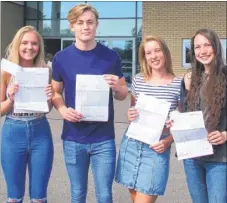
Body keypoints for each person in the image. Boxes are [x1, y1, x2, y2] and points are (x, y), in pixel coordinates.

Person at [51, 4, 128, 203]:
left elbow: (122, 94)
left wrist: (116, 87)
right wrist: (62, 109)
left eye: (90, 22)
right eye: (80, 23)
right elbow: (55, 92)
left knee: (104, 195)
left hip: (103, 138)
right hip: (73, 138)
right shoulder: (61, 58)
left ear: (96, 25)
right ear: (72, 26)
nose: (85, 27)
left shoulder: (111, 57)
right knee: (77, 194)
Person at [115, 35, 182, 203]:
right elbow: (133, 112)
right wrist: (130, 114)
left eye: (157, 50)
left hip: (157, 147)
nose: (154, 56)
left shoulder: (178, 84)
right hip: (132, 144)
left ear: (165, 53)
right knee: (135, 198)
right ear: (144, 57)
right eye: (149, 53)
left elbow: (182, 123)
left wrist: (168, 141)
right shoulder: (138, 80)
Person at [0, 26, 54, 203]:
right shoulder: (6, 71)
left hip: (40, 131)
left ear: (39, 47)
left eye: (34, 43)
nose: (29, 47)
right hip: (13, 132)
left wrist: (49, 98)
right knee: (14, 197)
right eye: (25, 43)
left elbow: (47, 108)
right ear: (17, 45)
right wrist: (11, 99)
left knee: (39, 197)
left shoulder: (45, 70)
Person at [180, 28, 227, 203]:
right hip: (193, 157)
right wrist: (174, 121)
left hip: (220, 159)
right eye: (197, 47)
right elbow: (184, 114)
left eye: (207, 45)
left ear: (216, 46)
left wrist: (224, 134)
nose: (202, 51)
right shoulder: (190, 78)